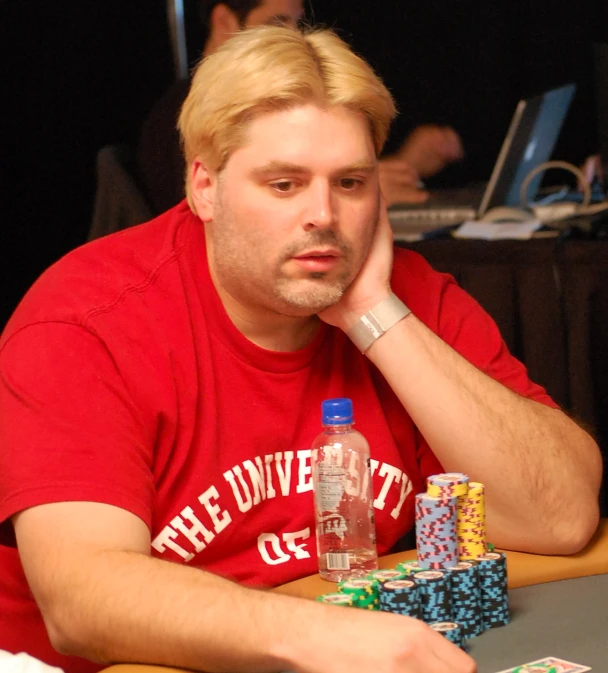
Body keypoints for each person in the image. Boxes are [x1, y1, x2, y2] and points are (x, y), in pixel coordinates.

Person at [0, 24, 601, 673]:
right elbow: (82, 597)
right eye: (283, 184)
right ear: (204, 187)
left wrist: (375, 315)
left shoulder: (408, 296)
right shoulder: (84, 322)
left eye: (349, 183)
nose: (324, 215)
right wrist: (323, 634)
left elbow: (561, 516)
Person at [135, 0, 464, 215]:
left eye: (297, 23)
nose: (294, 37)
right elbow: (196, 220)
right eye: (278, 22)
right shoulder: (178, 116)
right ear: (223, 20)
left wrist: (401, 167)